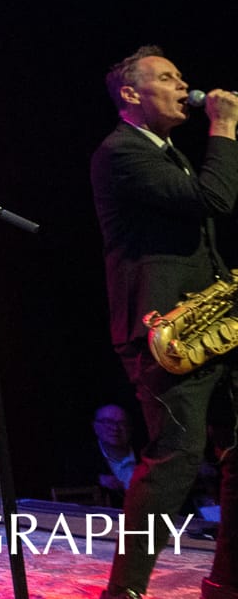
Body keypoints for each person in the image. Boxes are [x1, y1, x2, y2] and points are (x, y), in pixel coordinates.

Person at [93, 47, 238, 599]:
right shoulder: (121, 151)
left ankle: (226, 581)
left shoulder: (167, 151)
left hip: (208, 327)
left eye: (182, 76)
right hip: (165, 333)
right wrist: (224, 126)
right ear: (131, 94)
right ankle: (124, 590)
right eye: (169, 78)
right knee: (174, 458)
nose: (184, 87)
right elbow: (215, 198)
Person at [94, 403, 137, 500]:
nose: (115, 428)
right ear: (95, 427)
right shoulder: (82, 460)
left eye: (122, 423)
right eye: (108, 422)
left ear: (130, 428)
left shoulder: (149, 454)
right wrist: (100, 481)